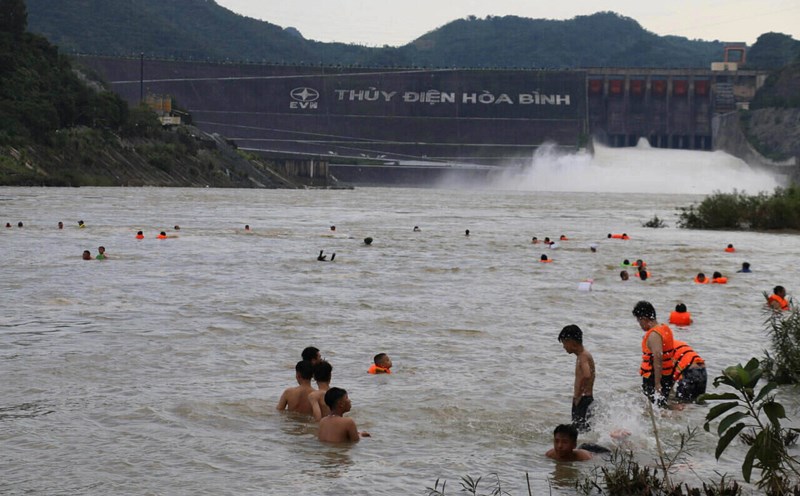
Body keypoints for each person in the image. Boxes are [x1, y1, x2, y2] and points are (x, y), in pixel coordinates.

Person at [633, 301, 675, 407]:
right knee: (661, 406)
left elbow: (658, 356)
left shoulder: (653, 335)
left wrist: (657, 383)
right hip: (667, 375)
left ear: (644, 319)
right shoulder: (664, 328)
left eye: (639, 321)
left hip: (653, 377)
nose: (640, 325)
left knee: (653, 408)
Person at [558, 325, 595, 432]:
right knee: (582, 429)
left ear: (571, 342)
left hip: (583, 399)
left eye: (564, 343)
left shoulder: (583, 356)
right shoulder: (583, 355)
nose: (564, 347)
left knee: (580, 430)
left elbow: (587, 374)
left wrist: (578, 395)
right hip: (585, 399)